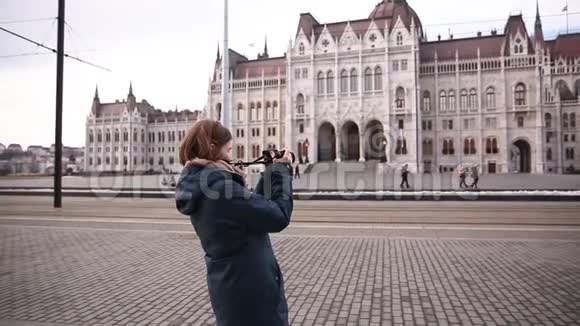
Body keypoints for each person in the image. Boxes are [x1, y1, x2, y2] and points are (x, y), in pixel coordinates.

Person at [175, 120, 293, 326]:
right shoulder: (220, 190)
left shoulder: (206, 185)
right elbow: (277, 216)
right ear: (212, 149)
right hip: (251, 296)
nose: (232, 156)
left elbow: (253, 211)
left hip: (233, 288)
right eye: (228, 150)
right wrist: (282, 171)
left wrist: (270, 171)